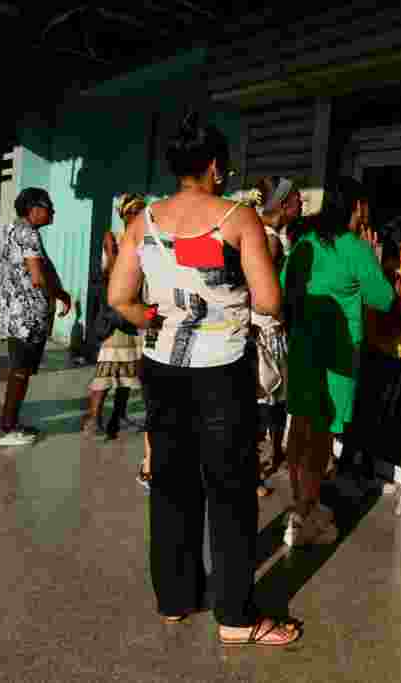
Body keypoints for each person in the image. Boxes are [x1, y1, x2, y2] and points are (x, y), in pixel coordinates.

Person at [108, 111, 300, 646]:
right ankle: (237, 618)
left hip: (164, 366)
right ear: (215, 166)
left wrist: (154, 317)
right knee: (230, 490)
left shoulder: (142, 221)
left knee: (170, 482)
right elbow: (268, 300)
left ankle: (175, 599)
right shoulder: (237, 218)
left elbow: (118, 297)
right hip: (223, 370)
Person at [281, 176, 395, 547]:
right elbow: (383, 299)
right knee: (320, 436)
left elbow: (284, 289)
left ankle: (300, 506)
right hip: (336, 355)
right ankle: (305, 515)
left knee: (300, 429)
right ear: (358, 207)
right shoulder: (355, 247)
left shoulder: (306, 242)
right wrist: (377, 265)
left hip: (300, 351)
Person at [342, 214, 401, 488]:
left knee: (370, 411)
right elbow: (388, 312)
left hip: (389, 352)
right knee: (371, 411)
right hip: (383, 352)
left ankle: (356, 464)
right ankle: (359, 467)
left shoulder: (400, 270)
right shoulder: (392, 273)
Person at [0, 188, 71, 447]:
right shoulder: (29, 233)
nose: (53, 211)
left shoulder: (12, 228)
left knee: (19, 370)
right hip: (28, 316)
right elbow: (38, 277)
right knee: (21, 371)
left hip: (14, 313)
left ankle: (7, 422)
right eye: (49, 206)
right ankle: (5, 428)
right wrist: (58, 294)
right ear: (33, 209)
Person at [249, 176, 301, 497]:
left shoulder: (266, 236)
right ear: (283, 205)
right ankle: (252, 470)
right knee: (262, 400)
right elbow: (260, 292)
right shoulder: (270, 241)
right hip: (264, 330)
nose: (301, 205)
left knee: (269, 400)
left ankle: (269, 459)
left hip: (266, 328)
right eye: (297, 200)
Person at [82, 193, 146, 440]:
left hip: (135, 314)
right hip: (118, 314)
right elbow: (114, 272)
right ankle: (92, 418)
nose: (140, 217)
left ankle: (117, 418)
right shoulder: (115, 240)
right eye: (135, 212)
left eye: (142, 212)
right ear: (125, 215)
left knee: (129, 370)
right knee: (107, 368)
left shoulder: (143, 242)